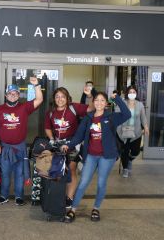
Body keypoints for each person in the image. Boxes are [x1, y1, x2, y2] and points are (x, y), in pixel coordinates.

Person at [62, 91, 131, 223]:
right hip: (91, 156)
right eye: (97, 100)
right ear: (93, 102)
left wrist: (117, 99)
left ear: (106, 103)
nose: (99, 103)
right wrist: (69, 145)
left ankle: (96, 208)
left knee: (101, 183)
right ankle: (73, 209)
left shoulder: (111, 117)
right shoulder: (88, 118)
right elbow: (79, 136)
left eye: (102, 100)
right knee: (83, 183)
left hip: (107, 156)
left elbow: (127, 114)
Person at [0, 78, 43, 206]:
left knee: (20, 173)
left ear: (19, 95)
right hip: (5, 148)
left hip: (20, 147)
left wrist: (37, 85)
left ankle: (19, 196)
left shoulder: (24, 108)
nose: (12, 96)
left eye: (15, 93)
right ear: (6, 95)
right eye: (10, 93)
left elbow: (39, 99)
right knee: (5, 173)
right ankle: (4, 195)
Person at [44, 86, 94, 208]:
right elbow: (47, 128)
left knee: (71, 170)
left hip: (72, 144)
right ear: (54, 99)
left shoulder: (74, 107)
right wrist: (51, 139)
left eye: (62, 96)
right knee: (58, 170)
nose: (60, 99)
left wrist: (89, 96)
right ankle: (58, 195)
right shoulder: (50, 112)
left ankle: (69, 198)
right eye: (57, 97)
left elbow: (92, 108)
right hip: (58, 145)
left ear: (67, 98)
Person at [115, 85, 149, 178]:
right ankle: (125, 168)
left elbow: (143, 117)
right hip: (123, 131)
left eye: (134, 92)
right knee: (124, 151)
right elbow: (117, 115)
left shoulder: (140, 104)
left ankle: (129, 160)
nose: (132, 94)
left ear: (136, 93)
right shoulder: (122, 103)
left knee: (136, 151)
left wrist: (146, 127)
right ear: (127, 93)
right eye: (130, 92)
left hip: (136, 132)